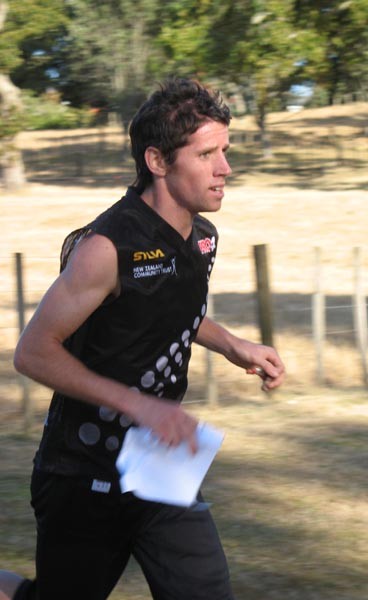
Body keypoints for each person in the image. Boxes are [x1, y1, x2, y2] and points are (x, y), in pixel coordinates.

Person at [0, 77, 285, 600]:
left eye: (225, 150)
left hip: (159, 457)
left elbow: (161, 309)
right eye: (207, 154)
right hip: (83, 467)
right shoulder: (105, 247)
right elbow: (33, 352)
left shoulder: (202, 237)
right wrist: (142, 405)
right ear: (157, 161)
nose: (225, 168)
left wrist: (230, 344)